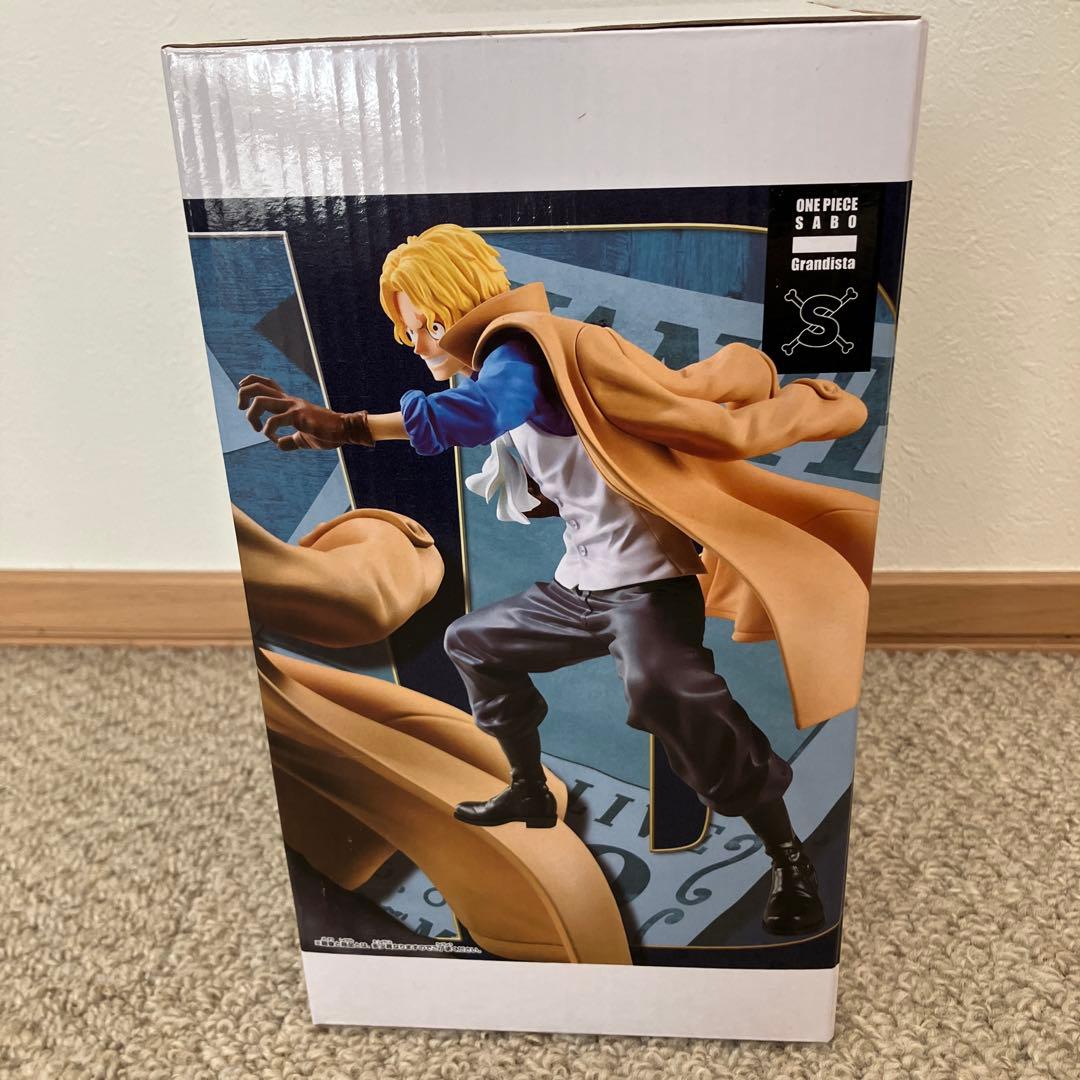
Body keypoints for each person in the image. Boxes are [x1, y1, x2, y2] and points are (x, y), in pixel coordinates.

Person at [239, 223, 878, 935]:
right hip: (580, 586)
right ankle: (529, 791)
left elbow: (485, 412)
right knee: (474, 642)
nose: (416, 343)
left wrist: (350, 426)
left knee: (666, 692)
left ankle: (788, 857)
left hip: (645, 587)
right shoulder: (513, 362)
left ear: (458, 304)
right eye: (408, 331)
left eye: (425, 325)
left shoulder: (520, 347)